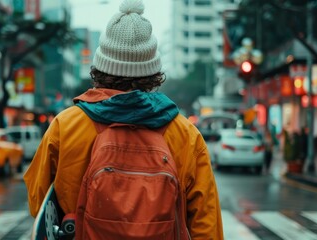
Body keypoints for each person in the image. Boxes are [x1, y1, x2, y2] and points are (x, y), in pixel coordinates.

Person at [23, 0, 223, 238]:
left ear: (100, 66)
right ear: (153, 72)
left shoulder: (66, 126)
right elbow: (207, 223)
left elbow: (39, 203)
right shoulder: (184, 133)